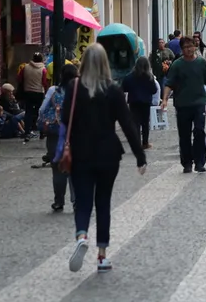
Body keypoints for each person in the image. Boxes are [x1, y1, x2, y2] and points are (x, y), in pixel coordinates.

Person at [62, 43, 147, 273]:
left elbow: (63, 118)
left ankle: (81, 235)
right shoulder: (113, 89)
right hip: (109, 154)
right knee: (103, 203)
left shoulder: (73, 87)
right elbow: (128, 124)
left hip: (81, 153)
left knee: (83, 200)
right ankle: (101, 256)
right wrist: (140, 155)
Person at [160, 37, 206, 173]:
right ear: (182, 49)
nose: (189, 49)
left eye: (191, 46)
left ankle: (200, 162)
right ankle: (186, 162)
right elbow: (169, 83)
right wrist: (165, 99)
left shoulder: (202, 63)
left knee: (199, 131)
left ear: (195, 47)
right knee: (184, 134)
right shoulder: (177, 65)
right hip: (182, 104)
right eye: (186, 47)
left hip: (199, 103)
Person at [38, 63, 79, 210]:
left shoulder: (53, 90)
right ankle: (77, 201)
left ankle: (58, 201)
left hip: (55, 133)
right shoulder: (81, 91)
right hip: (76, 134)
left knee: (57, 168)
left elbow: (42, 110)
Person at [122, 57, 159, 149]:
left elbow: (124, 88)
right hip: (146, 102)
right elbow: (154, 90)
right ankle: (145, 143)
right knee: (145, 123)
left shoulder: (129, 76)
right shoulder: (149, 77)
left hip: (134, 102)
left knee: (135, 123)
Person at [19, 52, 49, 136]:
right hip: (39, 93)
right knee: (40, 112)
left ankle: (27, 131)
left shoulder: (25, 67)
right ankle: (41, 132)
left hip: (28, 92)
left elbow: (19, 78)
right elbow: (44, 82)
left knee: (28, 112)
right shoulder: (43, 69)